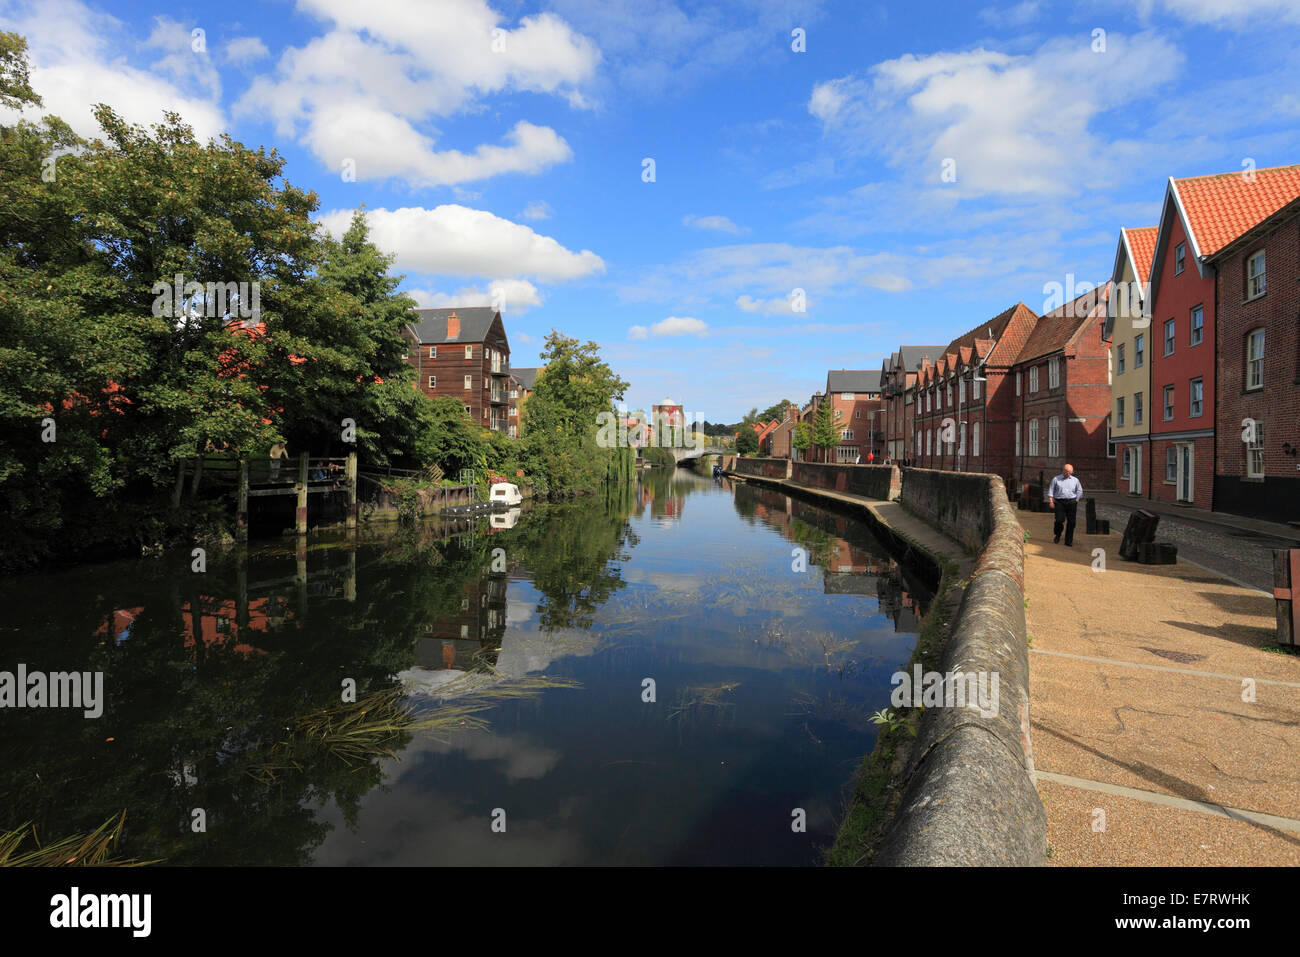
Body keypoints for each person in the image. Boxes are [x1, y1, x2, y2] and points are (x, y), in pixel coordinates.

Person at [1048, 463, 1083, 546]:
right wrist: (1051, 501)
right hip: (1060, 502)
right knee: (1059, 520)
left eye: (1070, 472)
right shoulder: (1056, 479)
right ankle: (1058, 534)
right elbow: (1051, 491)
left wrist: (1077, 499)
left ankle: (1068, 541)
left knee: (1072, 522)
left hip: (1071, 502)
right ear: (1063, 470)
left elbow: (1079, 490)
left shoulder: (1075, 480)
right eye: (1066, 472)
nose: (1068, 473)